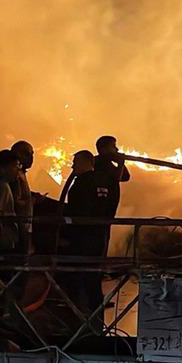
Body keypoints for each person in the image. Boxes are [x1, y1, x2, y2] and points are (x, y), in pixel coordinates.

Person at [60, 150, 112, 324]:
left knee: (77, 278)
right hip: (98, 237)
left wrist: (63, 226)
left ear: (84, 162)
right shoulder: (102, 181)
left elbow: (76, 212)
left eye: (75, 162)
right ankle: (97, 319)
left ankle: (78, 321)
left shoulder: (81, 183)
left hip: (81, 239)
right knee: (93, 279)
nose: (73, 166)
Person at [94, 135, 130, 219]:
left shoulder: (107, 163)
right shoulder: (98, 163)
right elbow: (116, 177)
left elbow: (125, 177)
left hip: (107, 210)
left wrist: (120, 163)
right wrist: (120, 163)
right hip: (100, 210)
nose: (116, 149)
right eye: (113, 146)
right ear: (104, 149)